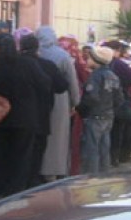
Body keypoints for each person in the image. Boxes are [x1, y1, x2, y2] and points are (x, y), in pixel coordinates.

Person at [0, 33, 51, 197]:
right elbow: (45, 84)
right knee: (21, 155)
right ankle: (15, 189)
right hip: (25, 116)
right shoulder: (28, 63)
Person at [19, 34, 68, 187]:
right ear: (37, 48)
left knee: (18, 149)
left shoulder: (14, 63)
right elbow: (62, 86)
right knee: (37, 150)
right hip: (41, 113)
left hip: (17, 114)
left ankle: (17, 181)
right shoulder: (48, 65)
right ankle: (32, 181)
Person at [35, 26, 81, 180]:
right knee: (57, 137)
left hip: (37, 99)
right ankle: (53, 171)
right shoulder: (62, 55)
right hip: (59, 100)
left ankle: (37, 170)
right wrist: (75, 102)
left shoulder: (35, 53)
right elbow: (71, 81)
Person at [77, 46, 123, 174]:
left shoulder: (95, 76)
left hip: (95, 116)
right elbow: (119, 99)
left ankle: (91, 177)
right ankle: (104, 175)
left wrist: (81, 110)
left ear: (96, 60)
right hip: (108, 116)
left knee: (91, 150)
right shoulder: (113, 75)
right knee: (104, 149)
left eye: (89, 58)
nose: (87, 60)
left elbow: (91, 97)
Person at [57, 34, 90, 176]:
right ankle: (71, 169)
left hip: (58, 102)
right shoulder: (77, 60)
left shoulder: (53, 56)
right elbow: (85, 78)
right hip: (74, 102)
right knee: (73, 139)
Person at [103, 40, 131, 166]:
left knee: (111, 131)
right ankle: (116, 157)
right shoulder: (118, 64)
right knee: (118, 130)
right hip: (119, 100)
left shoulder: (104, 63)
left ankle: (111, 157)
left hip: (106, 101)